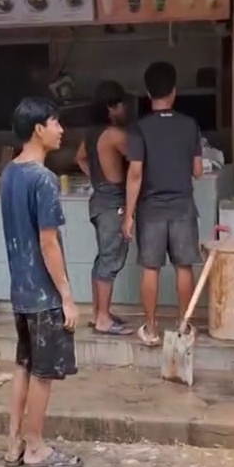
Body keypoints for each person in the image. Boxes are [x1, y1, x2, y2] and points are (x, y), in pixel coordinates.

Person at [0, 97, 83, 467]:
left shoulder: (10, 172)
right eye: (55, 123)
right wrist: (66, 296)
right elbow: (48, 243)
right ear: (38, 129)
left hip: (20, 289)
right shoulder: (43, 179)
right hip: (43, 292)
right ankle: (35, 447)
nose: (61, 130)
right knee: (43, 373)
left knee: (24, 363)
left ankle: (13, 443)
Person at [124, 61, 203, 346]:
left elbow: (135, 173)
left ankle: (151, 328)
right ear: (174, 91)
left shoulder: (139, 128)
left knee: (151, 268)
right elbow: (197, 171)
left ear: (148, 93)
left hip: (151, 210)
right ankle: (184, 324)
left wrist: (128, 215)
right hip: (182, 207)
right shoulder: (189, 125)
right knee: (184, 267)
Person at [75, 80, 133, 336]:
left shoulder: (91, 134)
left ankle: (99, 312)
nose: (125, 109)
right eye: (122, 105)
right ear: (111, 106)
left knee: (102, 260)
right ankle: (103, 319)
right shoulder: (115, 135)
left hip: (99, 201)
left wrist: (97, 179)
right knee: (110, 260)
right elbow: (138, 161)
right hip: (113, 204)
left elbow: (80, 157)